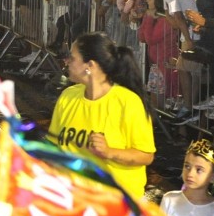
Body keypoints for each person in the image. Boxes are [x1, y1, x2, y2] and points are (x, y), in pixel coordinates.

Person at [48, 32, 155, 200]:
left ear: (89, 65)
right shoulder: (67, 96)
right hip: (74, 199)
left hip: (115, 203)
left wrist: (109, 152)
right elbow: (54, 146)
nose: (66, 61)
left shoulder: (127, 102)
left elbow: (146, 155)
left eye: (72, 57)